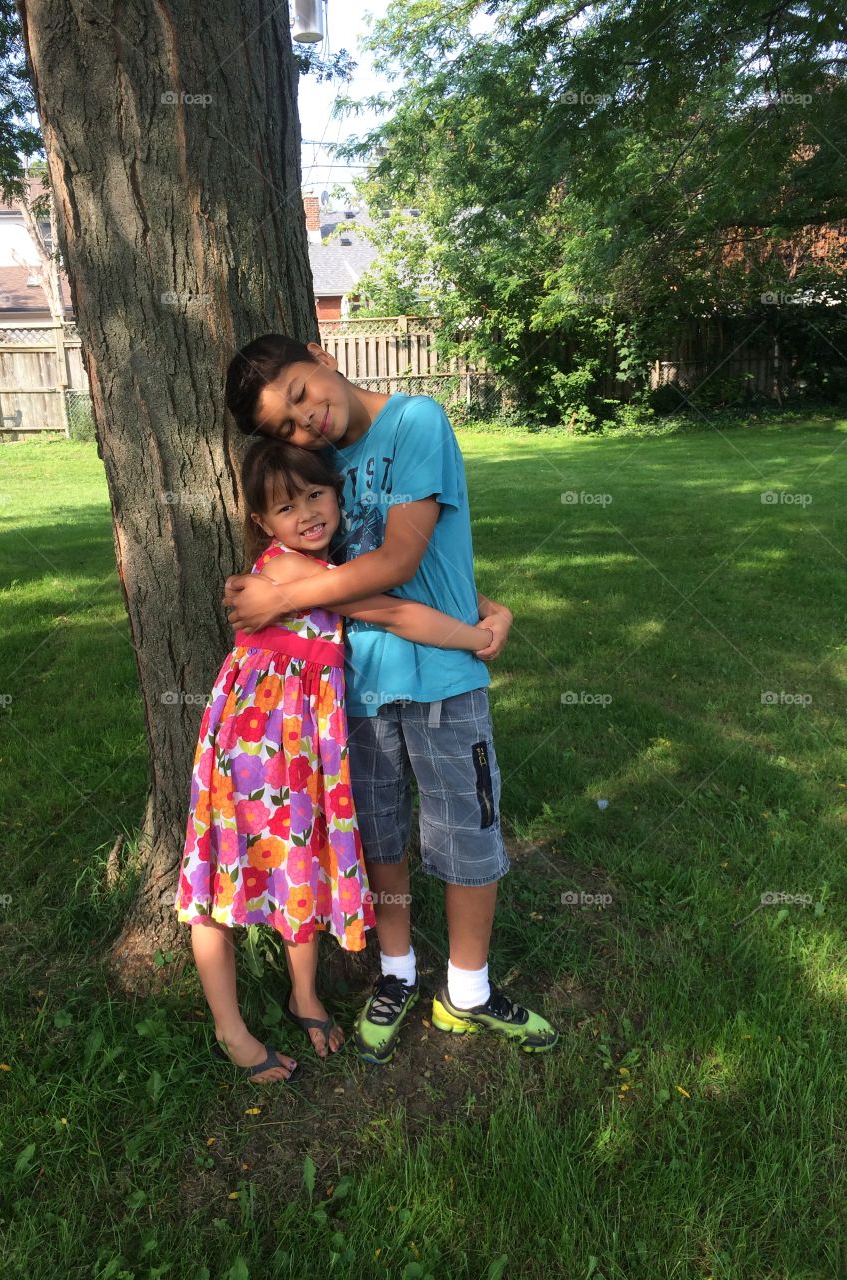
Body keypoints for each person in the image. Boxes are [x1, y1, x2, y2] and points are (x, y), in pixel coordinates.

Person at [222, 335, 559, 1064]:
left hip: (444, 679)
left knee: (467, 835)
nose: (305, 423)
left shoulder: (415, 422)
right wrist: (486, 607)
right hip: (355, 691)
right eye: (284, 425)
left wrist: (280, 595)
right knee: (379, 838)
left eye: (301, 396)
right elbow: (351, 565)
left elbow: (405, 558)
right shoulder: (317, 472)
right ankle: (396, 973)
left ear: (319, 354)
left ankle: (468, 990)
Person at [175, 438, 495, 1084]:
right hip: (250, 746)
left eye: (317, 494)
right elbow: (390, 609)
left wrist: (488, 605)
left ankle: (304, 996)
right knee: (217, 879)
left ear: (337, 493)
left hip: (296, 749)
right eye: (286, 507)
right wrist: (474, 637)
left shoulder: (333, 562)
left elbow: (407, 582)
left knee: (297, 864)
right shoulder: (293, 573)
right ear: (263, 525)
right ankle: (230, 1029)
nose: (308, 514)